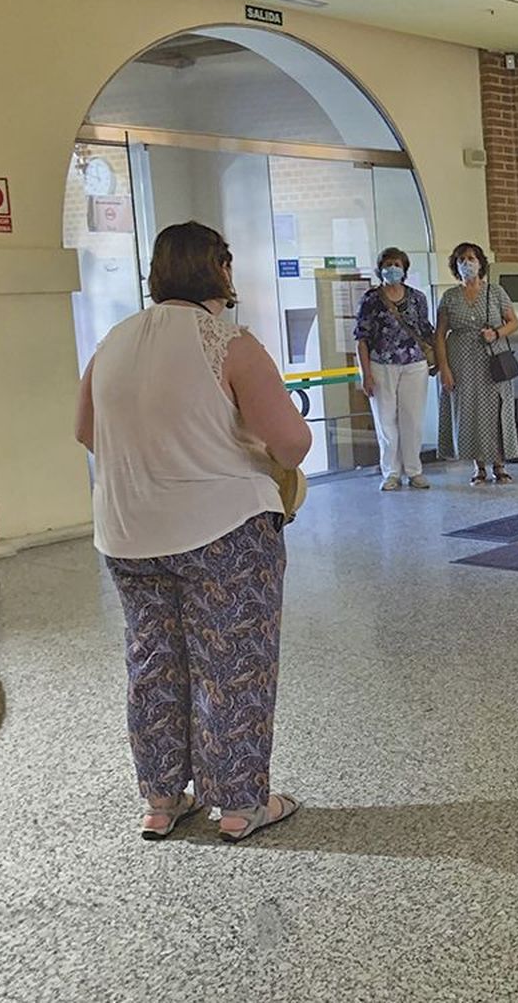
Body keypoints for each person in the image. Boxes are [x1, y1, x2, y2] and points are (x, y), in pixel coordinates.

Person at [74, 221, 312, 843]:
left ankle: (160, 799)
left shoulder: (113, 342)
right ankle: (238, 805)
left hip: (126, 531)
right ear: (221, 269)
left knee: (153, 662)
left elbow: (84, 431)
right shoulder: (229, 343)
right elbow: (293, 442)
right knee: (233, 663)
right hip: (223, 529)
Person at [436, 242, 518, 484]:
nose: (467, 264)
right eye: (462, 260)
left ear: (481, 263)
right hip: (461, 362)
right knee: (469, 411)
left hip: (492, 360)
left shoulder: (495, 292)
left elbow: (514, 322)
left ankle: (499, 463)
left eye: (471, 258)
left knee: (496, 410)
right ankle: (478, 466)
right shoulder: (450, 297)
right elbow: (440, 335)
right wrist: (445, 369)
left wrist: (497, 333)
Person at [355, 247, 435, 491]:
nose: (392, 269)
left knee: (413, 419)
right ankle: (391, 472)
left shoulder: (417, 298)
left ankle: (414, 470)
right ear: (380, 269)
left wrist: (438, 360)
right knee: (385, 420)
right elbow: (361, 338)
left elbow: (426, 330)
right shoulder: (371, 299)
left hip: (414, 364)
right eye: (388, 264)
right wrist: (366, 374)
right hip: (381, 365)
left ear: (405, 269)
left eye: (397, 264)